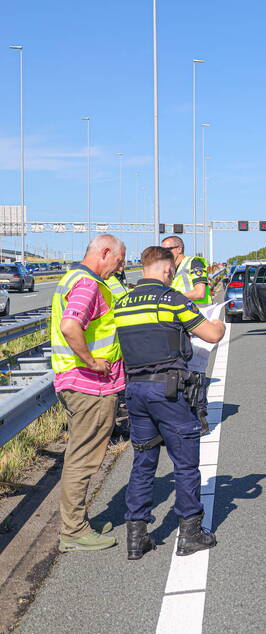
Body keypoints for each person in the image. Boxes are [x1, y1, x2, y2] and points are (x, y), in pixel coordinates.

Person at [114, 246, 226, 560]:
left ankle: (136, 536)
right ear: (167, 269)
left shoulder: (123, 303)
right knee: (185, 463)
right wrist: (220, 324)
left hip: (135, 391)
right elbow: (210, 334)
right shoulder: (171, 299)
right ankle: (190, 533)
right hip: (168, 391)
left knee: (143, 462)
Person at [50, 234, 126, 553]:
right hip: (89, 385)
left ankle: (77, 521)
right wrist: (92, 361)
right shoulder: (89, 284)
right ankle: (74, 531)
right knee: (83, 459)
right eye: (119, 261)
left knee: (78, 455)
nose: (119, 267)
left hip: (74, 381)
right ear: (104, 252)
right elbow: (70, 326)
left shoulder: (71, 278)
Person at [161, 236, 212, 432]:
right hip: (178, 322)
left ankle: (200, 417)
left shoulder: (194, 263)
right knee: (178, 369)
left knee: (196, 371)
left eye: (167, 249)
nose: (164, 253)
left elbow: (200, 292)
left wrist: (170, 298)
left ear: (179, 249)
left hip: (197, 320)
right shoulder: (168, 269)